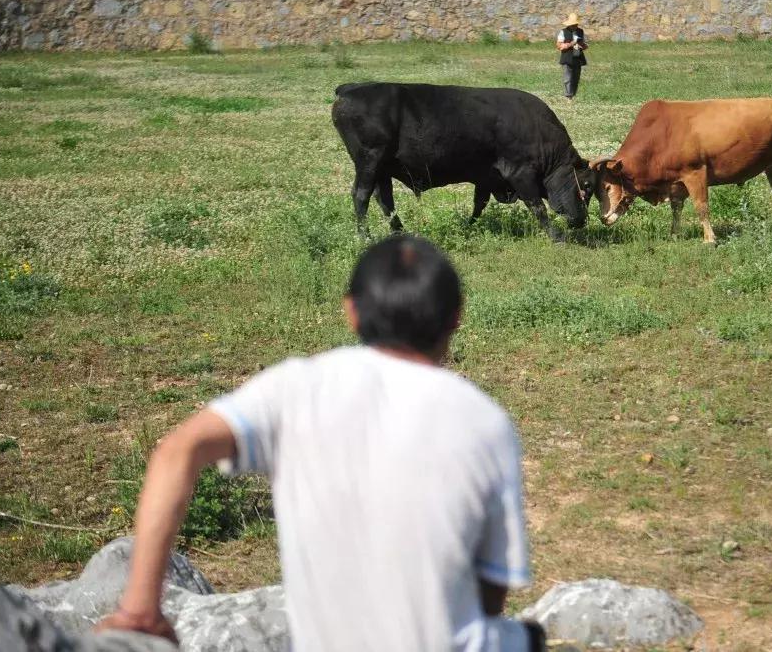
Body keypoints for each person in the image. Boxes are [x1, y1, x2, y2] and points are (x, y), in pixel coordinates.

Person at [96, 235, 545, 652]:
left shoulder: (295, 388)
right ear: (457, 316)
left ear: (351, 311)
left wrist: (139, 609)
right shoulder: (485, 421)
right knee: (529, 637)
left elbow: (177, 451)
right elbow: (494, 589)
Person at [556, 12, 588, 101]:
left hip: (578, 57)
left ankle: (573, 94)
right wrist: (571, 43)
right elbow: (559, 46)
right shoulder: (563, 32)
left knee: (576, 78)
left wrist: (583, 45)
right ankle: (568, 96)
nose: (575, 26)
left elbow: (583, 44)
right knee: (568, 78)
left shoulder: (580, 31)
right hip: (567, 57)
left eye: (576, 24)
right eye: (573, 24)